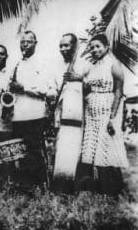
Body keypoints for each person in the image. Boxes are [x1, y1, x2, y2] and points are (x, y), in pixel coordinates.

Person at [75, 34, 129, 196]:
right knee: (95, 149)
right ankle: (103, 187)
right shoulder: (92, 66)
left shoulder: (114, 64)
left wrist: (113, 118)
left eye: (98, 46)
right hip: (92, 112)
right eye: (92, 47)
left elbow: (119, 91)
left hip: (108, 110)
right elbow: (84, 83)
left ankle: (116, 189)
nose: (95, 50)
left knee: (109, 147)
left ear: (106, 47)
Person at [9, 30, 56, 189]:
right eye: (22, 42)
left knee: (35, 152)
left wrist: (23, 88)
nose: (25, 45)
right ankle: (25, 186)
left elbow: (47, 90)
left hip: (35, 115)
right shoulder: (17, 64)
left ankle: (40, 185)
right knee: (21, 153)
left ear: (36, 43)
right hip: (18, 115)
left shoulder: (43, 63)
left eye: (28, 42)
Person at [52, 33, 89, 194]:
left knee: (74, 151)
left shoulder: (84, 65)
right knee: (61, 151)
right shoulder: (57, 65)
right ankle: (59, 186)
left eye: (67, 45)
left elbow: (94, 86)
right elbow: (54, 89)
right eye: (61, 45)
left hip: (77, 116)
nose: (63, 49)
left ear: (75, 46)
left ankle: (74, 187)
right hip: (62, 116)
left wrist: (79, 78)